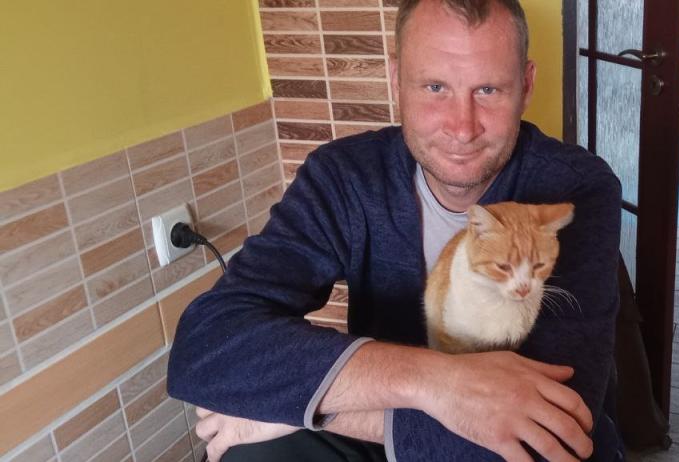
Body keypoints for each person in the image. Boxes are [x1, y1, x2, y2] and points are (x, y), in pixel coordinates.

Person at [165, 0, 624, 460]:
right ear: (396, 81)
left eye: (488, 89)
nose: (462, 127)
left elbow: (557, 429)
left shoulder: (575, 189)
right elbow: (207, 348)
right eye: (435, 87)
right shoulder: (344, 175)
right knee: (251, 452)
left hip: (510, 446)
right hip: (399, 427)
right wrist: (433, 381)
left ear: (525, 86)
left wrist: (309, 408)